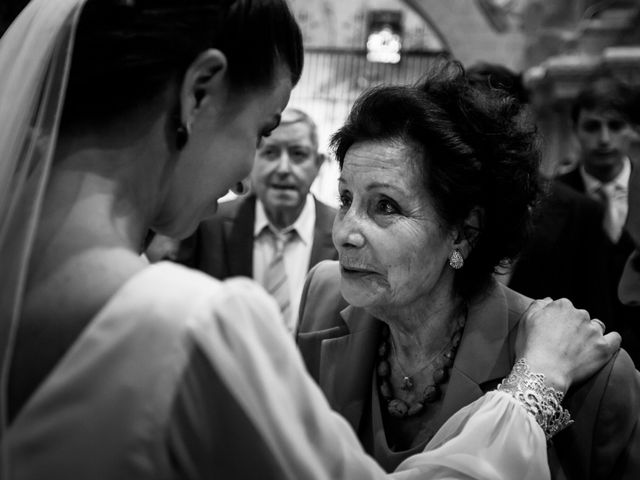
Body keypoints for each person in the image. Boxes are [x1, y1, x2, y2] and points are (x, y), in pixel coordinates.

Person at [0, 2, 621, 479]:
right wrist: (532, 391)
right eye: (259, 129)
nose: (247, 173)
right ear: (198, 93)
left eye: (385, 207)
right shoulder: (188, 322)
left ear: (464, 231)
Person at [296, 60, 640, 478]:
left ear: (463, 233)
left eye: (385, 205)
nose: (345, 233)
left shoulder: (596, 378)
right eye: (346, 198)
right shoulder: (324, 297)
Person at [466, 62, 613, 323]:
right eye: (468, 120)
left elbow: (597, 313)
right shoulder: (447, 206)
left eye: (494, 117)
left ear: (522, 118)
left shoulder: (581, 211)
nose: (483, 133)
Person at [182, 107, 337, 332]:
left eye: (298, 154)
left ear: (318, 164)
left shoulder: (342, 233)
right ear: (251, 161)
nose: (284, 169)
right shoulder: (208, 222)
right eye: (271, 153)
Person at [557, 75, 640, 362]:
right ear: (575, 131)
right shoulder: (553, 199)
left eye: (615, 126)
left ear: (633, 130)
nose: (604, 139)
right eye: (593, 127)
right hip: (576, 361)